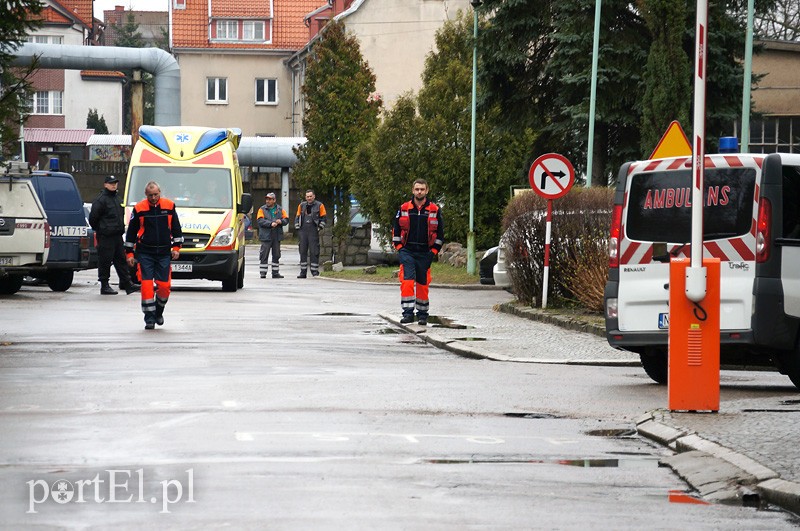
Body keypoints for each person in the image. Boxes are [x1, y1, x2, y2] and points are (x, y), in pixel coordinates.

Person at [125, 181, 184, 330]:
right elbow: (131, 233)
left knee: (164, 286)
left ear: (160, 193)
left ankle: (159, 311)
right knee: (146, 286)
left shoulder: (169, 206)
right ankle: (149, 318)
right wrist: (129, 253)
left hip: (164, 253)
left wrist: (176, 247)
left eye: (156, 195)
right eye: (150, 195)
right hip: (145, 253)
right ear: (146, 195)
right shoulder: (139, 209)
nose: (153, 198)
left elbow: (176, 229)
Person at [392, 178, 443, 326]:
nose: (419, 191)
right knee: (407, 281)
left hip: (425, 252)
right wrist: (400, 249)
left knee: (422, 283)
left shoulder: (434, 210)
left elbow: (440, 234)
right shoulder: (403, 208)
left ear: (426, 191)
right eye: (417, 189)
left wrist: (433, 252)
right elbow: (396, 230)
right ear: (413, 190)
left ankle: (422, 315)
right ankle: (407, 314)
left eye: (422, 189)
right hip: (407, 251)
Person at [89, 176, 140, 295]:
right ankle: (104, 285)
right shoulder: (101, 200)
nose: (114, 185)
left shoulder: (117, 198)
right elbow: (93, 218)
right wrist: (101, 229)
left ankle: (128, 284)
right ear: (105, 184)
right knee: (105, 261)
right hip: (106, 236)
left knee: (121, 260)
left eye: (115, 183)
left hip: (117, 236)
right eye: (111, 183)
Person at [294, 189, 327, 278]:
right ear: (305, 197)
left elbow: (324, 218)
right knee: (302, 251)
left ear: (314, 196)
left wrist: (319, 228)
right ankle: (303, 272)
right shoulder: (301, 205)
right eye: (307, 196)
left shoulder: (320, 205)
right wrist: (297, 227)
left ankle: (314, 271)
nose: (309, 198)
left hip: (313, 231)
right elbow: (297, 217)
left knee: (314, 251)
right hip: (303, 231)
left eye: (310, 196)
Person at [256, 192, 289, 278]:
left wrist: (281, 221)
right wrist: (270, 224)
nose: (267, 201)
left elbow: (286, 219)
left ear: (274, 200)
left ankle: (275, 273)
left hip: (277, 235)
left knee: (276, 254)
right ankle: (263, 273)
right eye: (267, 199)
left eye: (270, 199)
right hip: (266, 235)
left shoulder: (280, 209)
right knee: (264, 254)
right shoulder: (261, 209)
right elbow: (260, 221)